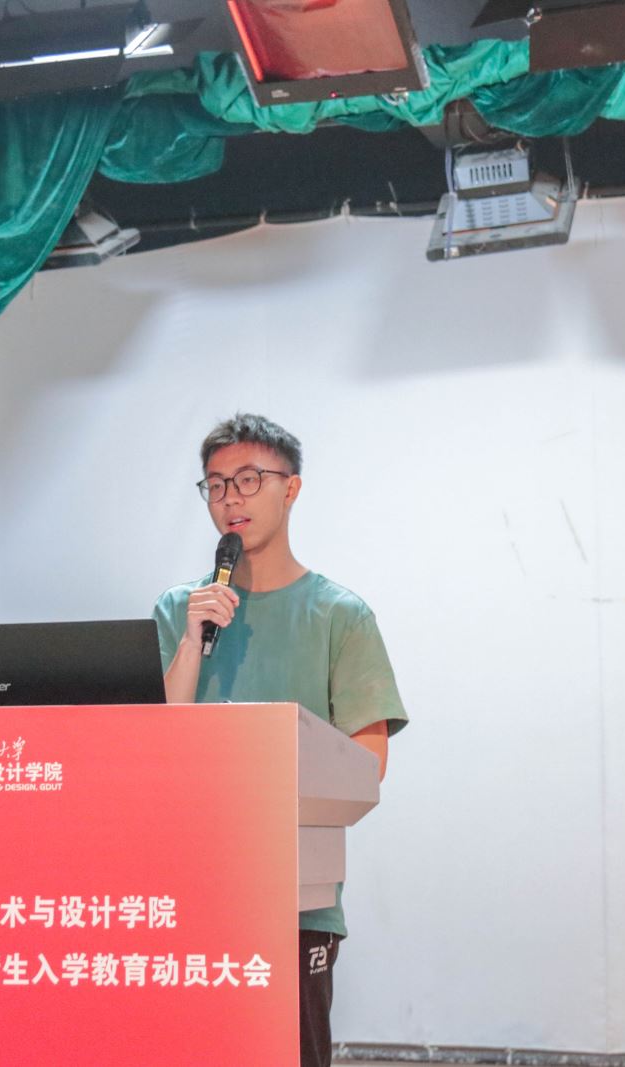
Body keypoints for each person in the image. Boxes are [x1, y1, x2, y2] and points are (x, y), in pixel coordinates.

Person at [152, 413, 409, 1067]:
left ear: (290, 488)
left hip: (295, 900)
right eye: (215, 485)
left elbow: (367, 764)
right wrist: (191, 643)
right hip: (186, 889)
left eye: (248, 479)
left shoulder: (341, 615)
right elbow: (152, 749)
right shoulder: (180, 610)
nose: (230, 498)